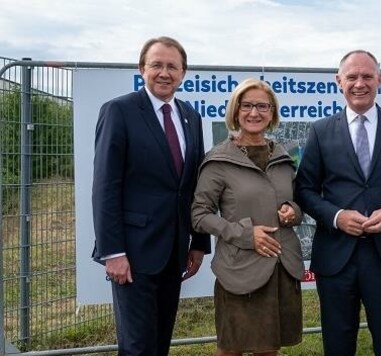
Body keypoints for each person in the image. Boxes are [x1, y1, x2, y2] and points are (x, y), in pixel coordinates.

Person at [295, 50, 381, 356]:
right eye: (352, 77)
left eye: (367, 76)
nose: (360, 83)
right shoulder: (320, 130)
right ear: (338, 82)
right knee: (338, 343)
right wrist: (337, 216)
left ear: (380, 80)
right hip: (336, 258)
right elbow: (304, 189)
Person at [92, 36, 211, 356]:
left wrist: (199, 243)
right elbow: (105, 187)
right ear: (141, 69)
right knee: (136, 346)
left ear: (183, 73)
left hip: (174, 252)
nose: (164, 72)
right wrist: (112, 252)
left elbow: (195, 185)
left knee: (159, 341)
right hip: (132, 254)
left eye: (172, 66)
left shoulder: (191, 117)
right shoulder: (119, 111)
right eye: (156, 64)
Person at [191, 78, 304, 356]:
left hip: (281, 266)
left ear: (272, 113)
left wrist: (294, 211)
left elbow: (299, 200)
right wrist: (244, 234)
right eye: (247, 105)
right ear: (235, 111)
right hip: (239, 271)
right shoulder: (218, 159)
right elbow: (199, 214)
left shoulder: (284, 155)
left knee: (269, 348)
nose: (255, 113)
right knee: (232, 348)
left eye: (262, 106)